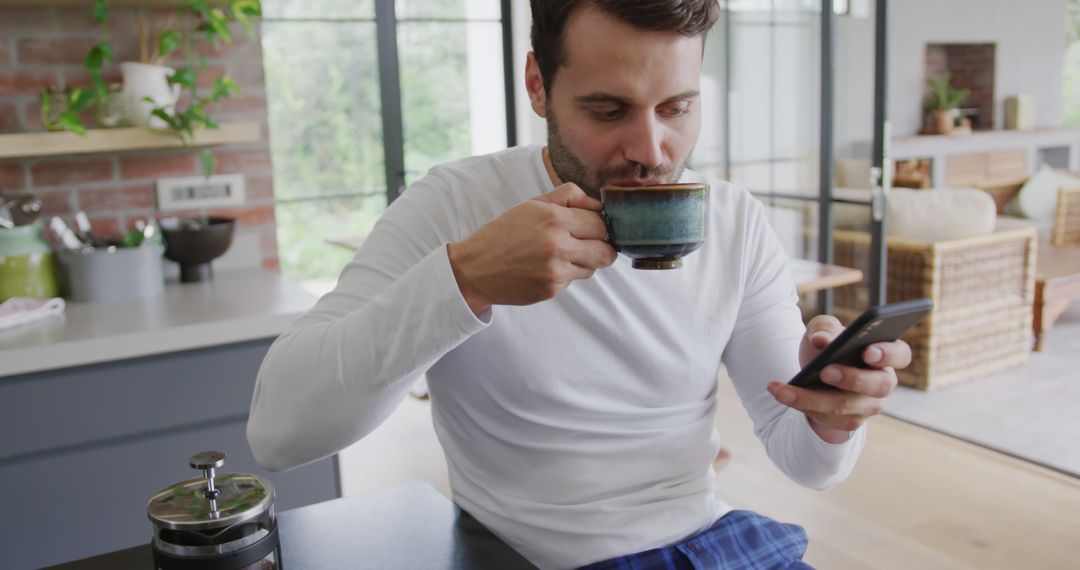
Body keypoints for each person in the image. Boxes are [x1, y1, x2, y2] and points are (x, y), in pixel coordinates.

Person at [247, 1, 912, 568]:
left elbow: (808, 465)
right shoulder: (452, 207)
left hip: (707, 540)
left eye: (677, 107)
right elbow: (279, 433)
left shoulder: (734, 221)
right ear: (538, 85)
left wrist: (832, 416)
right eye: (608, 110)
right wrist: (465, 278)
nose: (652, 150)